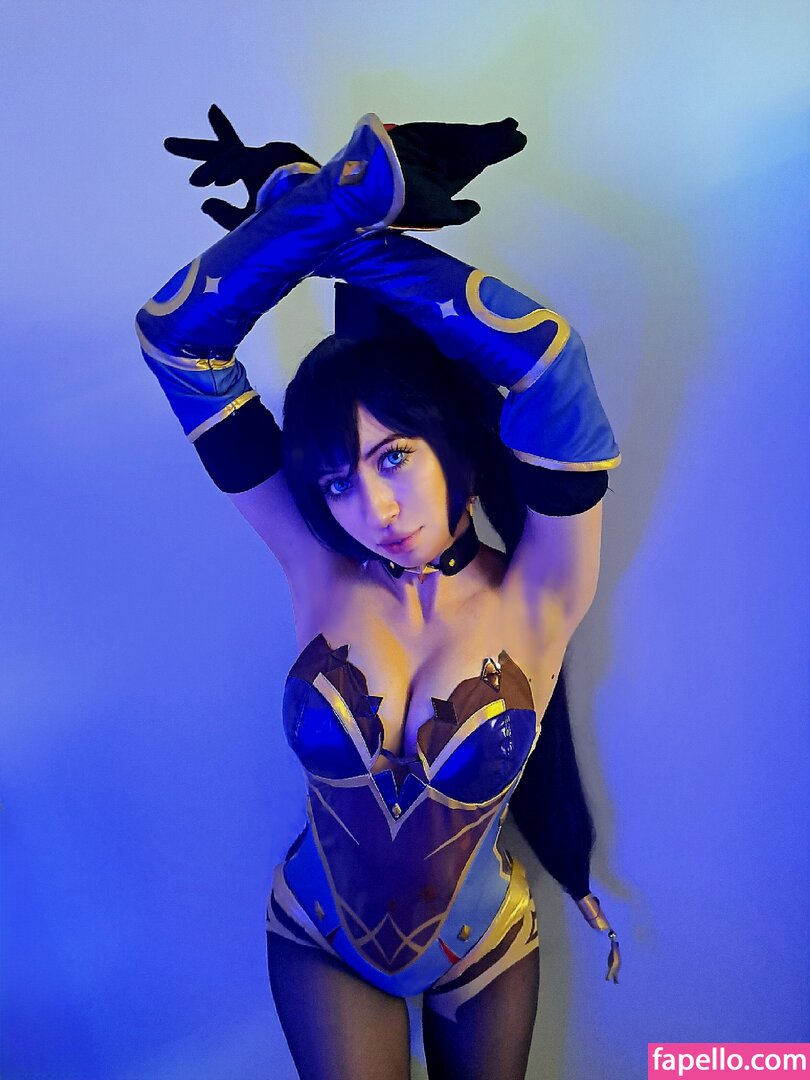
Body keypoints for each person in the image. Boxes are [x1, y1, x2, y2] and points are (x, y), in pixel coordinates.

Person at [136, 109, 622, 1080]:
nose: (375, 508)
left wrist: (330, 218)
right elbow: (176, 345)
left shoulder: (543, 590)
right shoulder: (317, 563)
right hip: (317, 938)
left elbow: (550, 364)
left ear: (450, 444)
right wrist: (338, 208)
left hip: (483, 954)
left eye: (394, 456)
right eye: (337, 479)